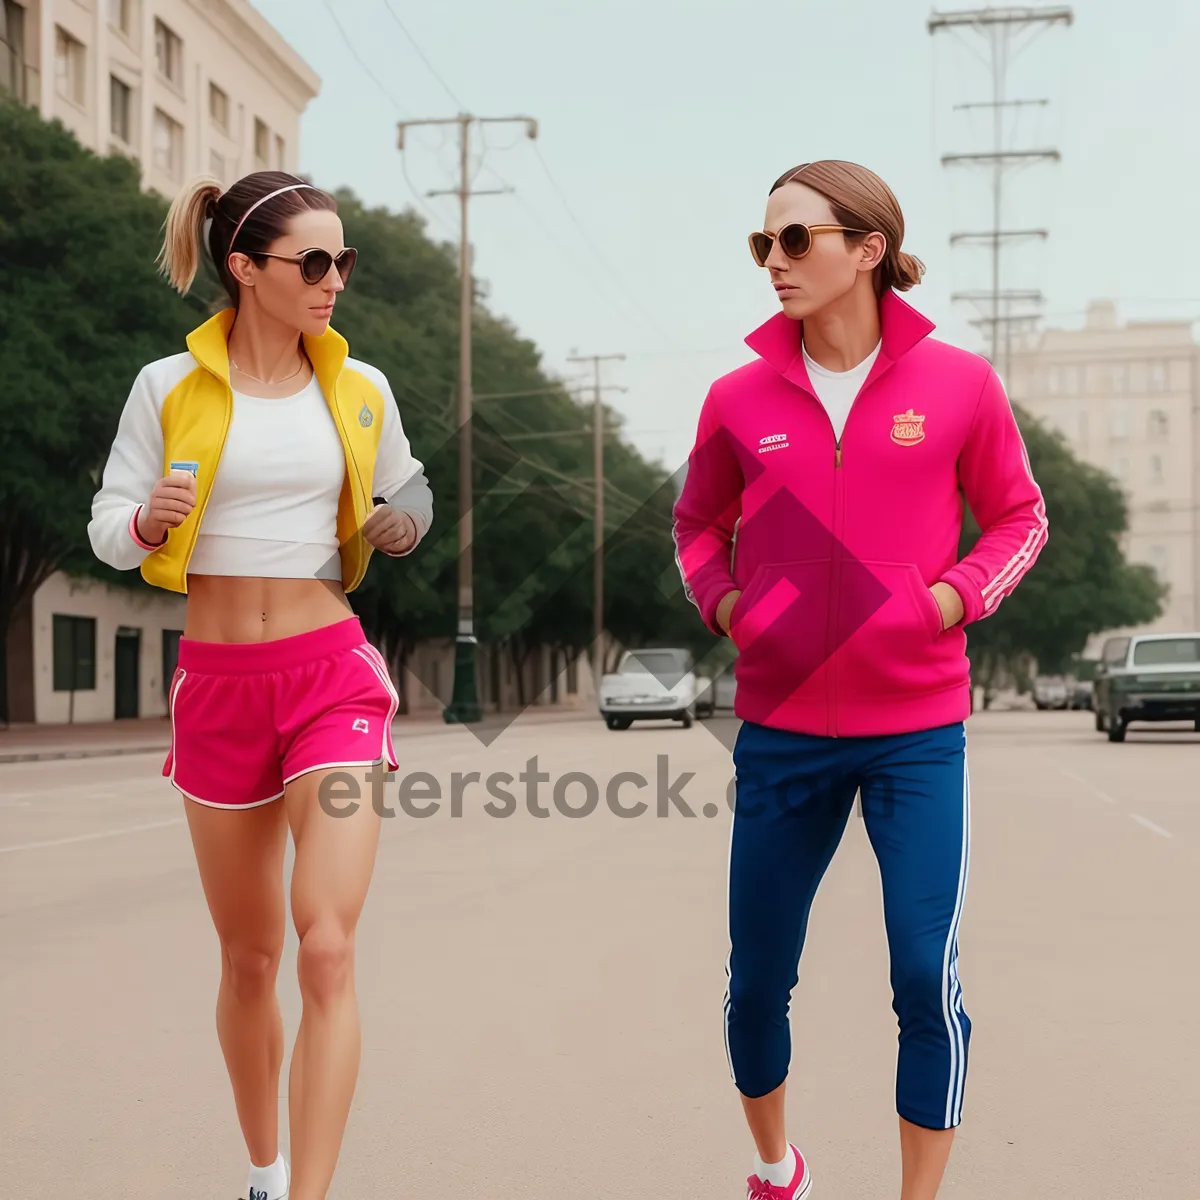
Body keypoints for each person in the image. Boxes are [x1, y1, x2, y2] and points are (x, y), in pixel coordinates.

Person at [672, 160, 1047, 1200]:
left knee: (926, 975)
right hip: (784, 729)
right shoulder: (739, 398)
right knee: (757, 986)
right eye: (764, 245)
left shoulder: (960, 385)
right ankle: (774, 1166)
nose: (775, 264)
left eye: (796, 241)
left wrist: (948, 600)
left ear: (868, 249)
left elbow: (1022, 517)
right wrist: (728, 607)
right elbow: (696, 526)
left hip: (916, 729)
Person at [88, 170, 433, 1200]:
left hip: (331, 675)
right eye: (312, 262)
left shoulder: (360, 385)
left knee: (325, 945)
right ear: (245, 268)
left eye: (343, 262)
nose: (334, 282)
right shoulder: (168, 386)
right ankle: (264, 1171)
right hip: (220, 684)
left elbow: (407, 485)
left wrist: (400, 521)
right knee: (251, 958)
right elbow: (107, 526)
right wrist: (147, 521)